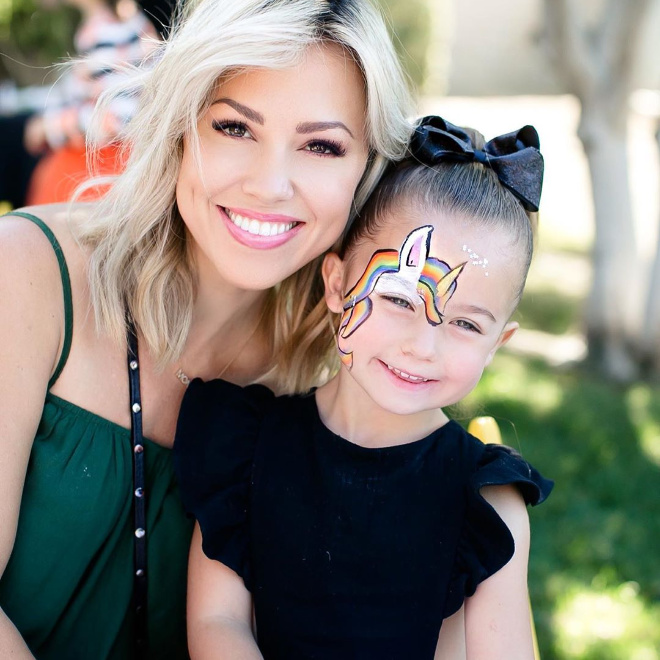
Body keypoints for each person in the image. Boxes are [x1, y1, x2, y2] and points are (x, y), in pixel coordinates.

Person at [0, 0, 415, 656]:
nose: (270, 184)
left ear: (367, 171)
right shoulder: (24, 275)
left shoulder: (326, 380)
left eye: (322, 145)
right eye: (235, 128)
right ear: (178, 126)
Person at [174, 116, 554, 659]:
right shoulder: (247, 447)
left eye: (467, 325)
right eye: (399, 299)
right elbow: (217, 622)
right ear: (337, 284)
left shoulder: (488, 502)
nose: (424, 346)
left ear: (499, 342)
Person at [0, 0, 158, 208]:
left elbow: (121, 118)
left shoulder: (103, 32)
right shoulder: (127, 21)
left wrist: (49, 127)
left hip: (101, 169)